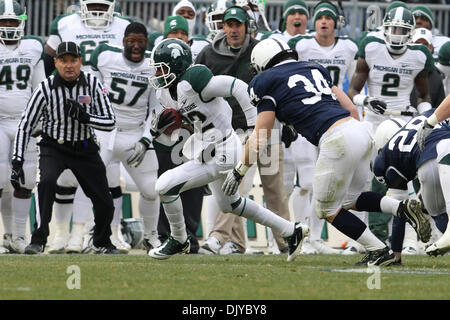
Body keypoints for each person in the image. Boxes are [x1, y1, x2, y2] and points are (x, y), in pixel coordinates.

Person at [222, 37, 431, 266]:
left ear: (262, 63)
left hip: (336, 138)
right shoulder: (313, 68)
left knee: (326, 208)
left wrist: (239, 170)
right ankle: (400, 207)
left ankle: (378, 250)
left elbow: (261, 134)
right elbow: (350, 107)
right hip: (358, 130)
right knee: (350, 199)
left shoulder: (265, 81)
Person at [147, 38, 308, 262]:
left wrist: (254, 125)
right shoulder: (164, 93)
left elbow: (237, 86)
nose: (157, 75)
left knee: (165, 185)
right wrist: (159, 129)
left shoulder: (194, 80)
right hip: (206, 146)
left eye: (161, 69)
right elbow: (183, 125)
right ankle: (292, 230)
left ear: (176, 66)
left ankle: (179, 239)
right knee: (231, 204)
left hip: (224, 149)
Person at [196, 6, 291, 255]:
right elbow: (196, 91)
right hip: (232, 132)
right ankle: (227, 240)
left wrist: (287, 120)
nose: (234, 29)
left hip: (267, 128)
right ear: (223, 26)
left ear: (247, 26)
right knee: (235, 185)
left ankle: (286, 241)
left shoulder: (262, 50)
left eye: (238, 24)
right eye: (229, 24)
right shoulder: (208, 54)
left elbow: (280, 84)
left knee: (275, 192)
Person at [11, 41, 118, 254]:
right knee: (47, 183)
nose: (69, 65)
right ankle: (38, 239)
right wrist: (17, 159)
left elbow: (110, 121)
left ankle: (101, 241)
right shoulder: (45, 87)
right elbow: (26, 123)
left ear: (80, 61)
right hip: (54, 146)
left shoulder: (93, 84)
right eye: (63, 60)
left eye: (73, 60)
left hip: (85, 146)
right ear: (56, 62)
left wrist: (86, 117)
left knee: (105, 201)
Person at [43, 0, 131, 253]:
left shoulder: (123, 26)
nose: (97, 11)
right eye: (92, 4)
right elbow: (49, 62)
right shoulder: (64, 24)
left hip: (106, 104)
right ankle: (64, 234)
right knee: (65, 177)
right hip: (70, 102)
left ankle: (101, 234)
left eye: (102, 6)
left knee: (103, 175)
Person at [348, 6, 434, 255]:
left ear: (411, 33)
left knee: (403, 178)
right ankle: (363, 239)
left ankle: (408, 239)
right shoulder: (372, 47)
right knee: (363, 179)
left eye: (402, 30)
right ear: (384, 28)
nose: (396, 34)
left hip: (403, 121)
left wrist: (424, 117)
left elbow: (423, 95)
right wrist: (366, 101)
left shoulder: (418, 55)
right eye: (393, 29)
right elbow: (353, 91)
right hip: (373, 119)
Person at [75, 22, 161, 254]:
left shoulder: (154, 64)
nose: (135, 46)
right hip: (105, 132)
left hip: (135, 132)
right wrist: (89, 123)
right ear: (123, 40)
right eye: (131, 41)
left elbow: (156, 107)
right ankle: (85, 235)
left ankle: (151, 237)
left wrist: (146, 139)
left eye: (141, 41)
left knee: (152, 189)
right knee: (89, 184)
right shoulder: (105, 55)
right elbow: (86, 90)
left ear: (147, 42)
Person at [286, 1, 359, 255]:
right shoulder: (302, 45)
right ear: (314, 22)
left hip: (333, 119)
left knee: (324, 181)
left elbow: (352, 85)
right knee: (305, 181)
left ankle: (315, 239)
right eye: (319, 18)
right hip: (307, 118)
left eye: (328, 17)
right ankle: (300, 236)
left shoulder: (348, 48)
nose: (324, 21)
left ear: (335, 22)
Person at [0, 0, 46, 254]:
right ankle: (3, 235)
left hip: (25, 123)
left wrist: (39, 120)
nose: (8, 26)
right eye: (4, 21)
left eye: (13, 21)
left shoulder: (33, 47)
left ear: (22, 23)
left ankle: (18, 236)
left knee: (25, 180)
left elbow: (40, 88)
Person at [374, 109, 450, 257]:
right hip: (444, 148)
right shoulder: (429, 114)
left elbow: (400, 210)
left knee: (439, 212)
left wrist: (396, 253)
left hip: (430, 163)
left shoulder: (386, 158)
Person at [410, 28, 445, 109]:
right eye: (417, 43)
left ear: (431, 48)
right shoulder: (399, 68)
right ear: (410, 44)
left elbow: (438, 108)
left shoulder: (437, 76)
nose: (421, 48)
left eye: (425, 45)